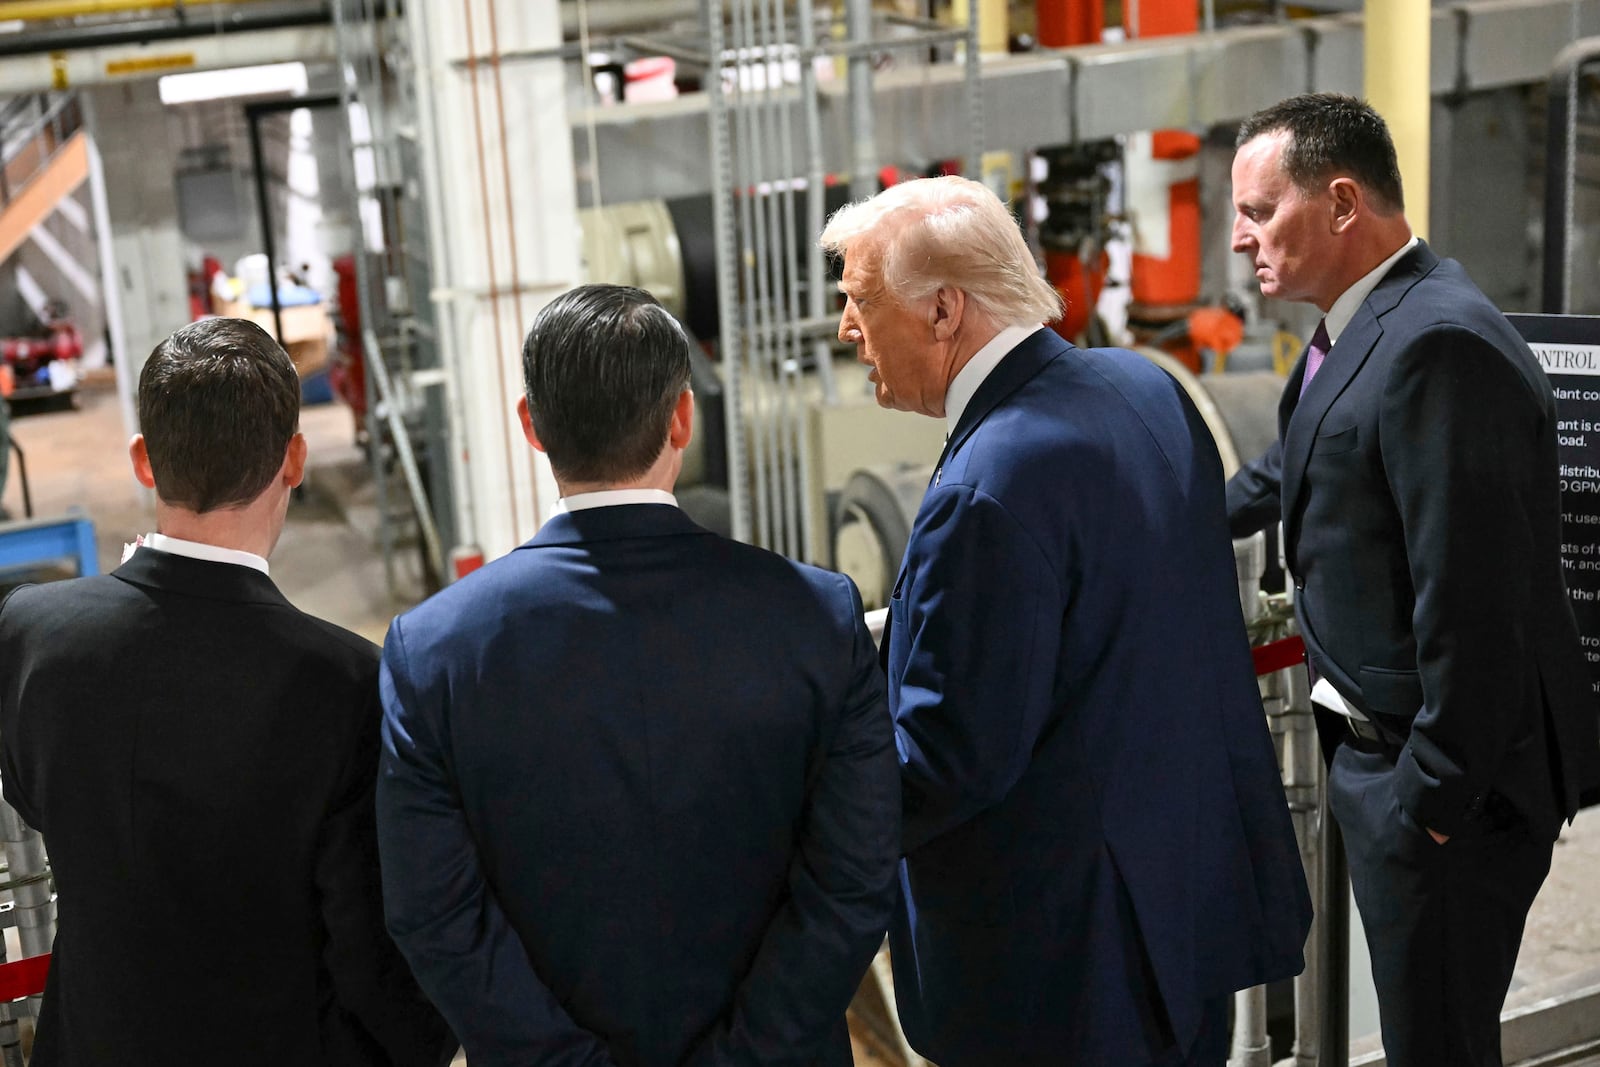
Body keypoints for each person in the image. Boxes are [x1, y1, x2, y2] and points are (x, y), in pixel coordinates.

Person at [820, 175, 1312, 1067]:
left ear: (942, 312)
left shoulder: (989, 488)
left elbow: (950, 754)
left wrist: (806, 802)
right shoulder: (1148, 391)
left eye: (859, 300)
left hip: (1062, 971)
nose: (846, 330)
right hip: (1182, 908)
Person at [375, 284, 899, 1066]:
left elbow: (435, 915)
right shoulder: (815, 617)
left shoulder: (435, 651)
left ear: (530, 424)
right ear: (683, 416)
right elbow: (854, 880)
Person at [1226, 93, 1600, 1066]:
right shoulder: (1357, 326)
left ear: (1342, 202)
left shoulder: (1438, 346)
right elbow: (1303, 462)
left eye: (1260, 212)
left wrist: (1425, 806)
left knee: (1437, 1042)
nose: (1238, 239)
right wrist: (1157, 513)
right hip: (1386, 761)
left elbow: (1474, 608)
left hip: (1444, 787)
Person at [0, 318, 453, 1067]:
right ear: (296, 458)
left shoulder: (31, 635)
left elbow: (38, 791)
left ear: (144, 461)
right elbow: (372, 959)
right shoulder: (347, 686)